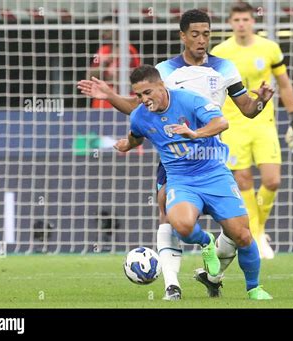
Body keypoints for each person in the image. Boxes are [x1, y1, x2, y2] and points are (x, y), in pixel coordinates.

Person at [77, 9, 280, 300]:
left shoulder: (225, 69)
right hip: (175, 157)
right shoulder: (166, 71)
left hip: (211, 156)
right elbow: (140, 109)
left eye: (206, 34)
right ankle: (172, 285)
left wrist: (260, 101)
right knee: (169, 215)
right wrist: (110, 96)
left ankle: (215, 275)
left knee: (238, 231)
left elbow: (247, 110)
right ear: (182, 36)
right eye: (195, 34)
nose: (201, 40)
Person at [115, 65, 273, 300]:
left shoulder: (189, 100)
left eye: (148, 93)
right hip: (181, 180)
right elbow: (136, 135)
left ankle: (254, 288)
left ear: (161, 85)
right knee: (182, 226)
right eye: (139, 95)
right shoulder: (139, 115)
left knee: (242, 235)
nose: (144, 100)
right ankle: (206, 241)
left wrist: (196, 134)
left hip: (214, 174)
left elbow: (222, 123)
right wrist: (126, 145)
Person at [210, 2, 293, 260]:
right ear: (230, 22)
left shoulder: (269, 48)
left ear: (253, 21)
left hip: (264, 122)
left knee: (272, 180)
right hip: (234, 123)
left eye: (246, 19)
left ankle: (258, 230)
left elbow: (284, 84)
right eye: (237, 20)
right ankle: (257, 235)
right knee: (243, 181)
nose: (241, 24)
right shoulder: (220, 52)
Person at [87, 16, 141, 109]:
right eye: (102, 30)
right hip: (102, 102)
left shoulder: (129, 50)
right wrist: (107, 61)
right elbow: (89, 77)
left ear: (118, 31)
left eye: (107, 30)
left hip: (124, 101)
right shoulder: (102, 50)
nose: (103, 33)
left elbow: (135, 80)